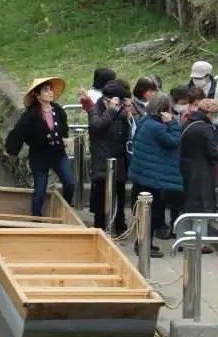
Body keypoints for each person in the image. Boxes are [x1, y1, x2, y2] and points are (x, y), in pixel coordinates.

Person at [5, 76, 74, 217]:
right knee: (40, 190)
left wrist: (64, 137)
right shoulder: (30, 115)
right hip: (39, 157)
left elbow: (64, 127)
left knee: (70, 183)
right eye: (46, 90)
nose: (50, 93)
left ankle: (64, 209)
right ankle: (36, 218)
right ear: (37, 95)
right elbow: (18, 133)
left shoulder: (58, 110)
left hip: (58, 155)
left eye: (51, 90)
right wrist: (12, 151)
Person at [128, 93, 184, 257]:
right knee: (152, 214)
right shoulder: (158, 127)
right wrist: (173, 124)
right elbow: (174, 141)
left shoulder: (145, 121)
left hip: (143, 174)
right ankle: (144, 245)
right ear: (164, 109)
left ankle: (144, 243)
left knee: (146, 213)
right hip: (152, 178)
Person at [88, 79, 131, 233]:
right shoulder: (96, 109)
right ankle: (100, 225)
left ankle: (119, 223)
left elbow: (127, 131)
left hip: (118, 158)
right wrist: (111, 111)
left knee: (119, 192)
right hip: (102, 159)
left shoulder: (121, 110)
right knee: (101, 194)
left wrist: (128, 114)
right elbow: (96, 127)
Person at [178, 98, 218, 253]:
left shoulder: (188, 123)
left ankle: (184, 239)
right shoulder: (206, 129)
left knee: (189, 205)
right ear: (208, 113)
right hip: (201, 171)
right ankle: (198, 243)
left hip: (187, 168)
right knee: (201, 206)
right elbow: (213, 151)